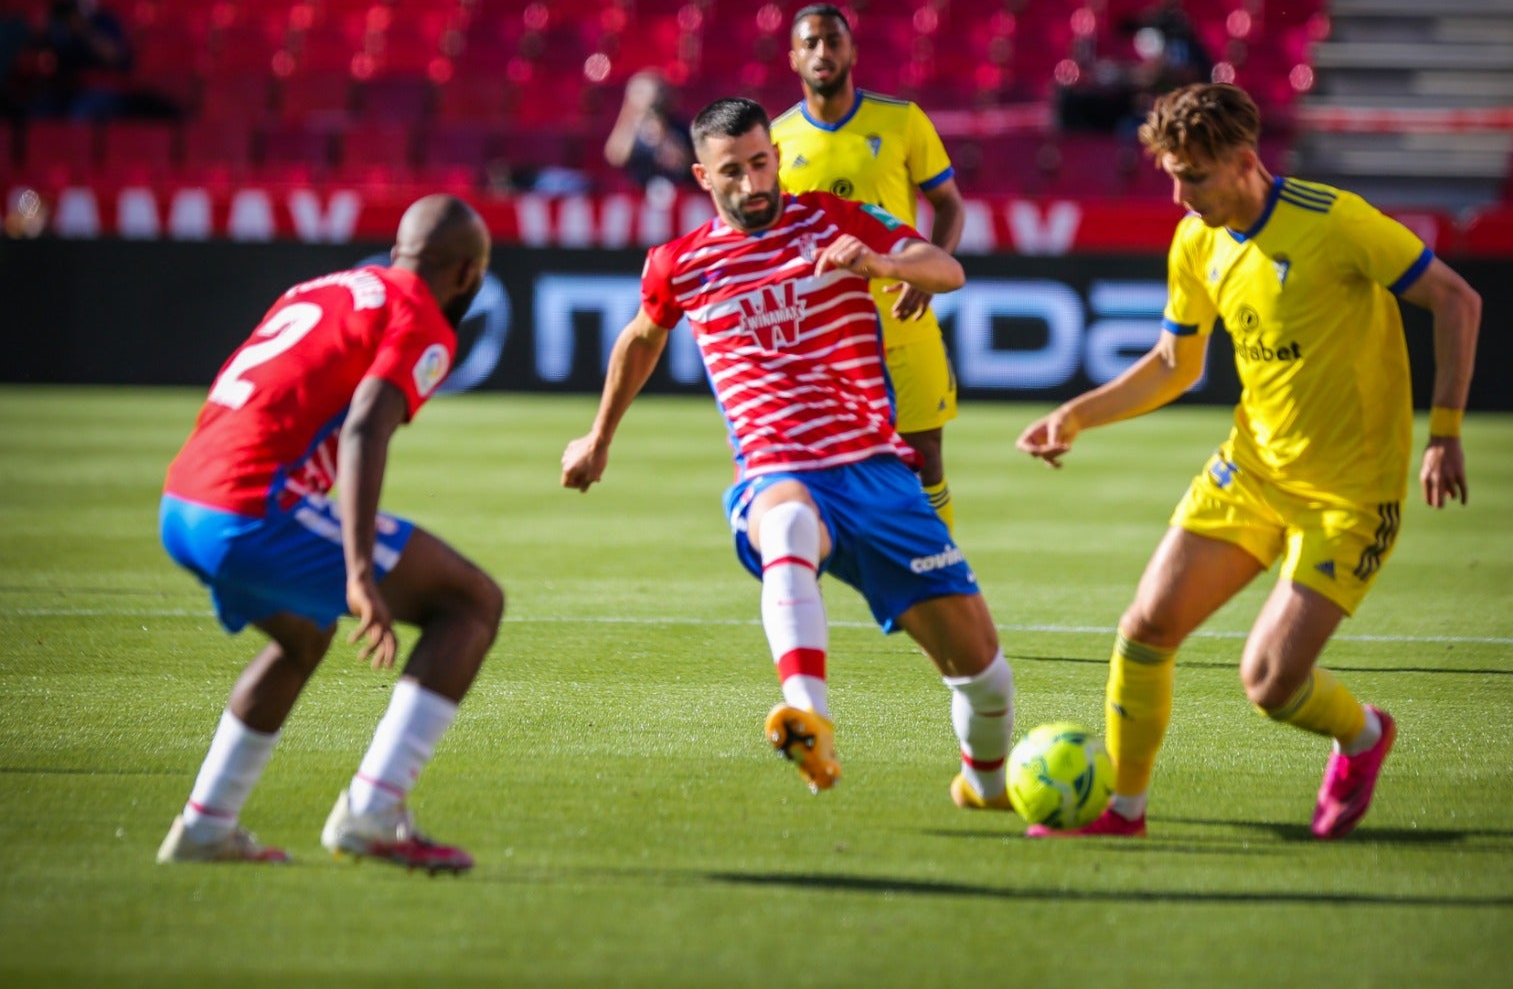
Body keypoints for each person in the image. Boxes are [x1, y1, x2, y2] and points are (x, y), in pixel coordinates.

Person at [1017, 83, 1482, 840]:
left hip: (1349, 494)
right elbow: (1174, 363)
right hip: (1252, 471)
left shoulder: (1336, 223)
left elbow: (1457, 300)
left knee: (1268, 683)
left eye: (1192, 176)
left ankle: (1363, 735)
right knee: (1145, 628)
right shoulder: (1196, 241)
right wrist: (1077, 414)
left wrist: (1446, 431)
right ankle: (1123, 811)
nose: (1177, 194)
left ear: (1243, 161)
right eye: (1170, 174)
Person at [562, 97, 1015, 810]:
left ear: (776, 154)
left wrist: (878, 261)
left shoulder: (833, 219)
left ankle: (985, 784)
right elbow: (641, 338)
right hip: (780, 467)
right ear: (704, 178)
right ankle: (810, 717)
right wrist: (600, 436)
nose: (753, 184)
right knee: (787, 523)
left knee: (986, 677)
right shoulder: (681, 263)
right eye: (733, 172)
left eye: (761, 163)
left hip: (876, 471)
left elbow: (945, 269)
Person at [156, 194, 502, 871]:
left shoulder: (317, 287)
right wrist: (359, 571)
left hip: (181, 501)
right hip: (252, 507)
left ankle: (204, 827)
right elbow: (368, 424)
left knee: (303, 635)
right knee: (471, 601)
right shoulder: (421, 314)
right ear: (467, 274)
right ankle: (372, 814)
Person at [770, 3, 966, 531]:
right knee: (829, 466)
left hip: (902, 317)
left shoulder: (902, 120)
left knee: (924, 456)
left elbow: (949, 204)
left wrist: (926, 276)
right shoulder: (778, 139)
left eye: (833, 41)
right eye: (809, 43)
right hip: (825, 331)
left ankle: (941, 577)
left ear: (852, 50)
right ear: (793, 58)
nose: (822, 52)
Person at [602, 68, 695, 190]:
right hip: (636, 194)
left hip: (676, 192)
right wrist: (632, 122)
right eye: (638, 92)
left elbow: (683, 164)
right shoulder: (628, 124)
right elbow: (615, 157)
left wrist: (663, 135)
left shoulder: (678, 126)